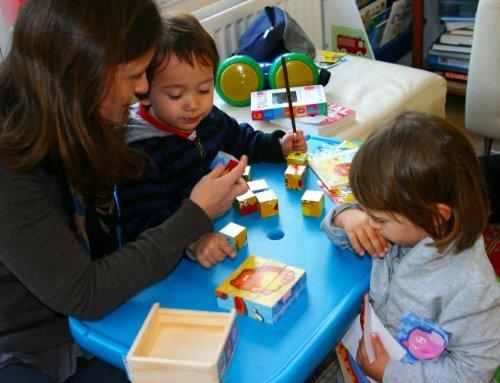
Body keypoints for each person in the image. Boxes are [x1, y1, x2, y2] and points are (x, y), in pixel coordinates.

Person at [0, 1, 248, 382]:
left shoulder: (77, 107)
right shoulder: (11, 158)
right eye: (134, 74)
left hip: (102, 308)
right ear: (82, 72)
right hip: (26, 344)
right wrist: (195, 215)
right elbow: (86, 293)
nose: (143, 89)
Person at [116, 13, 308, 268]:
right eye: (175, 95)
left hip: (221, 219)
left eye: (204, 90)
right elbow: (144, 225)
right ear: (144, 94)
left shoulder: (207, 118)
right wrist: (193, 241)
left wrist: (277, 146)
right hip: (175, 252)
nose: (193, 104)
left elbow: (240, 138)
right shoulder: (138, 153)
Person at [321, 112, 500, 382]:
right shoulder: (404, 221)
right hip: (371, 346)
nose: (372, 224)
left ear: (435, 216)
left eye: (379, 219)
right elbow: (335, 224)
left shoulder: (473, 286)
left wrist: (390, 373)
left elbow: (472, 373)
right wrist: (346, 217)